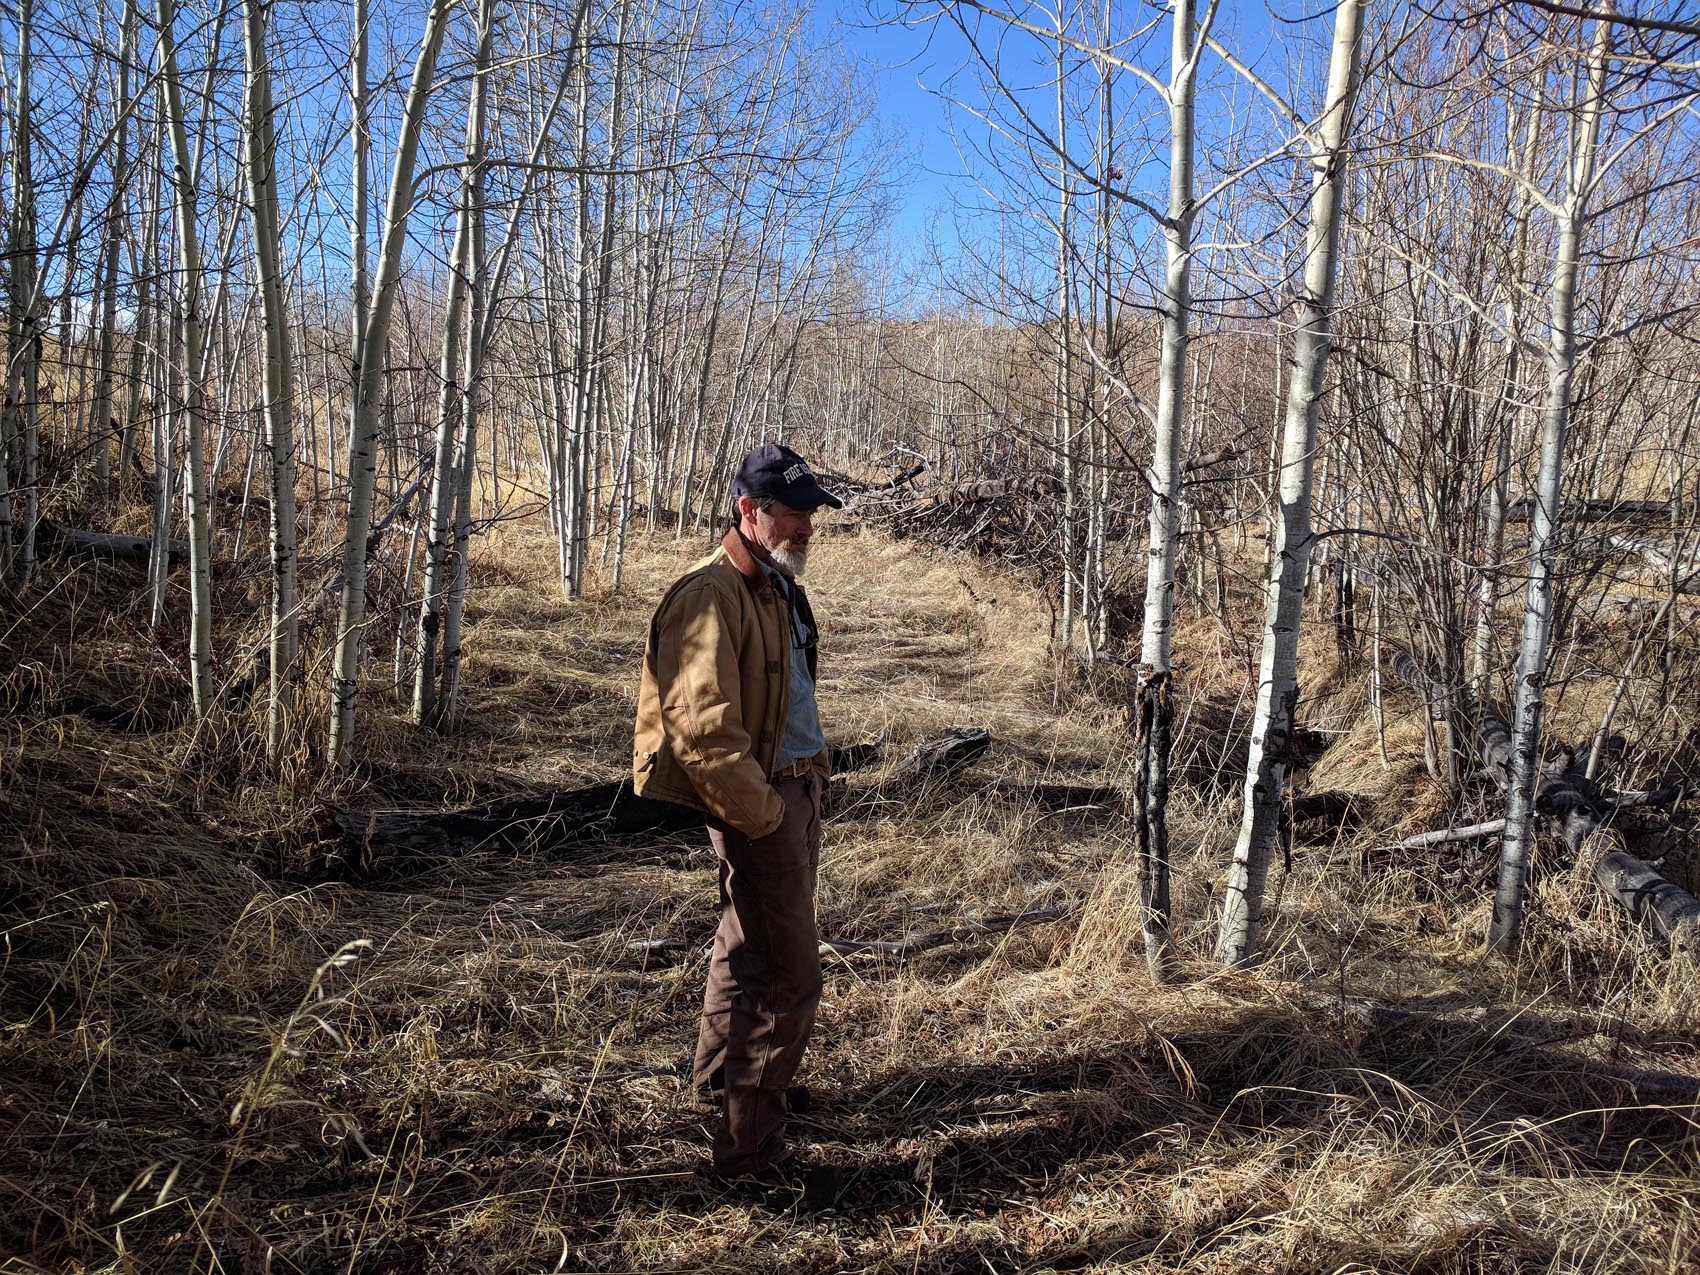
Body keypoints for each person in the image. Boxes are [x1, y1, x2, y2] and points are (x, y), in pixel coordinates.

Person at [631, 442, 844, 1204]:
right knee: (788, 977)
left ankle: (725, 1081)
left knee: (742, 937)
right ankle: (750, 1156)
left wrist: (807, 785)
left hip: (792, 790)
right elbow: (703, 733)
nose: (808, 527)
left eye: (812, 513)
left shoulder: (771, 582)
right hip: (762, 806)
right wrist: (765, 816)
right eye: (794, 513)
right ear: (749, 510)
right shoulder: (710, 593)